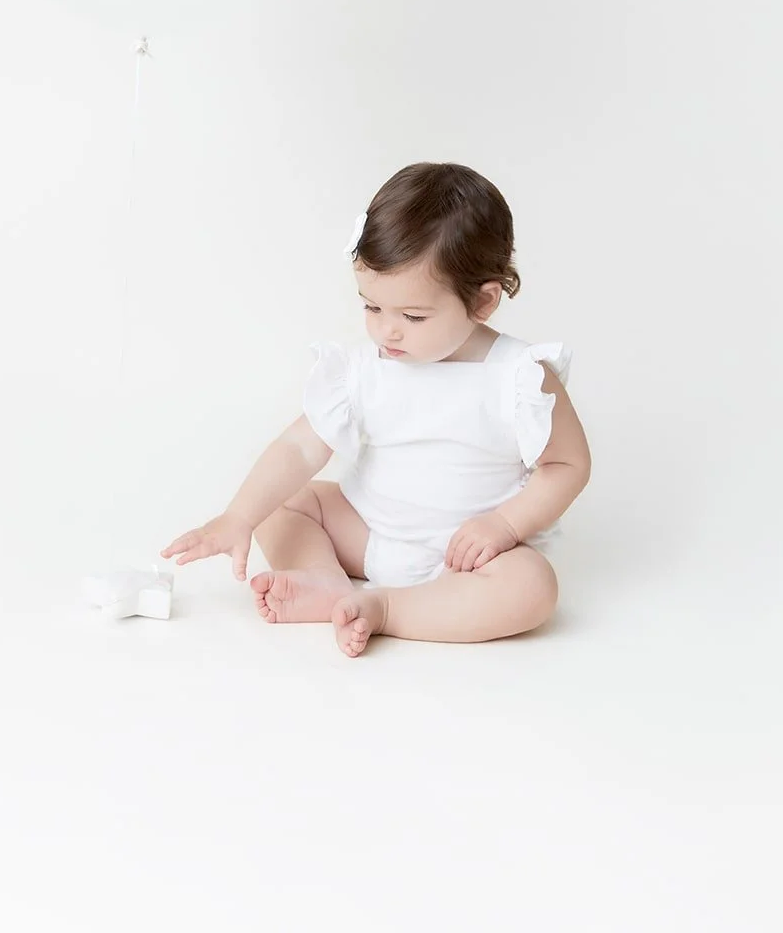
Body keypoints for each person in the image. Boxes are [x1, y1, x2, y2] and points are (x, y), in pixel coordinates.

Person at [162, 162, 591, 658]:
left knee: (532, 587)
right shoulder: (365, 369)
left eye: (412, 316)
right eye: (372, 307)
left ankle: (390, 609)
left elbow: (568, 465)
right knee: (284, 503)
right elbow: (300, 446)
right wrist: (237, 516)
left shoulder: (519, 376)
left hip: (468, 557)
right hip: (366, 533)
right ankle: (325, 584)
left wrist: (505, 526)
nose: (387, 331)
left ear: (483, 301)